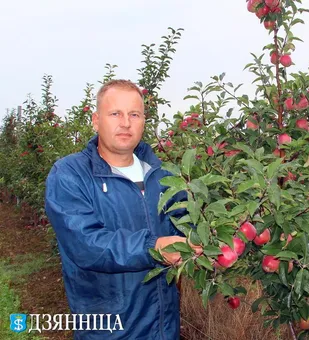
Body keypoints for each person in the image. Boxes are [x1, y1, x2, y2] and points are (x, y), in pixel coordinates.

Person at [45, 79, 200, 339]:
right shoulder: (70, 174)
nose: (125, 122)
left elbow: (188, 226)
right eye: (115, 113)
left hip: (164, 326)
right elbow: (87, 245)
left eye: (134, 114)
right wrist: (154, 247)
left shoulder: (165, 176)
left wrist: (227, 236)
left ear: (143, 122)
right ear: (96, 120)